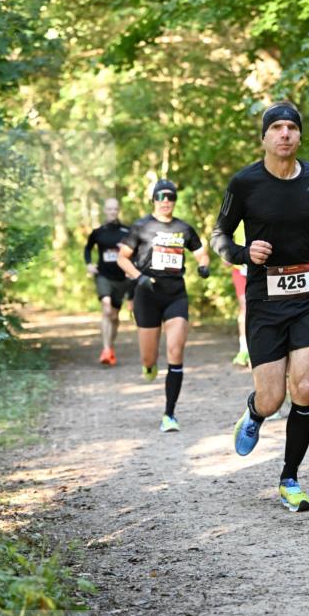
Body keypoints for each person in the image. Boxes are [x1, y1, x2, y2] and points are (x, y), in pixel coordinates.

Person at [211, 102, 309, 512]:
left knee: (304, 387)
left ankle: (290, 477)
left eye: (292, 127)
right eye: (277, 127)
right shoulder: (245, 183)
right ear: (265, 137)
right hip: (265, 299)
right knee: (272, 398)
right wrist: (243, 252)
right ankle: (255, 413)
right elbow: (220, 234)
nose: (285, 134)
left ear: (300, 136)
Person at [117, 179, 210, 432]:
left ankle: (169, 414)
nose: (166, 201)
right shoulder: (141, 226)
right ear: (154, 200)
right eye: (161, 197)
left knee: (175, 351)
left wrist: (203, 265)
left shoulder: (183, 228)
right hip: (147, 295)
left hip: (175, 294)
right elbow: (122, 258)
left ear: (174, 200)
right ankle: (149, 366)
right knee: (149, 357)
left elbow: (201, 251)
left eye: (170, 197)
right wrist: (140, 278)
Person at [83, 198, 130, 366]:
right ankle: (105, 349)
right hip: (103, 275)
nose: (112, 211)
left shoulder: (127, 231)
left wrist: (133, 269)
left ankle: (110, 346)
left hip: (121, 278)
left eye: (115, 209)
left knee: (115, 316)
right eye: (109, 209)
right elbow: (87, 248)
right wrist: (89, 264)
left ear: (118, 210)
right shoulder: (98, 232)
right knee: (106, 307)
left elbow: (137, 250)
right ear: (105, 210)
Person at [231, 264, 250, 367]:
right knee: (245, 306)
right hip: (240, 271)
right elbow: (225, 258)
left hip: (262, 270)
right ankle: (244, 349)